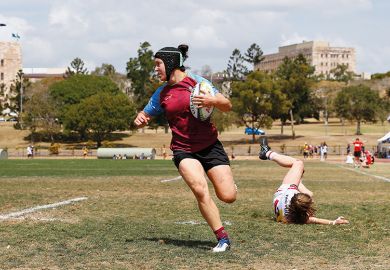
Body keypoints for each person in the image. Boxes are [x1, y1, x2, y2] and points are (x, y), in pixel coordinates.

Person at [133, 44, 236, 252]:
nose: (156, 69)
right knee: (199, 189)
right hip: (183, 149)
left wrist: (213, 100)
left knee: (228, 196)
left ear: (171, 63)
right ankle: (222, 238)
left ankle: (230, 186)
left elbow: (227, 105)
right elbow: (146, 114)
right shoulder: (162, 93)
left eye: (158, 64)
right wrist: (141, 118)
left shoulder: (198, 83)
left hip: (210, 146)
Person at [259, 137, 349, 225]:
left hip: (285, 190)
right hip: (279, 198)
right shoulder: (299, 218)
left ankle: (267, 153)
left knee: (298, 163)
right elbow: (316, 220)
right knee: (310, 193)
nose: (312, 203)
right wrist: (333, 222)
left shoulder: (300, 216)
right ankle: (299, 177)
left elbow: (314, 219)